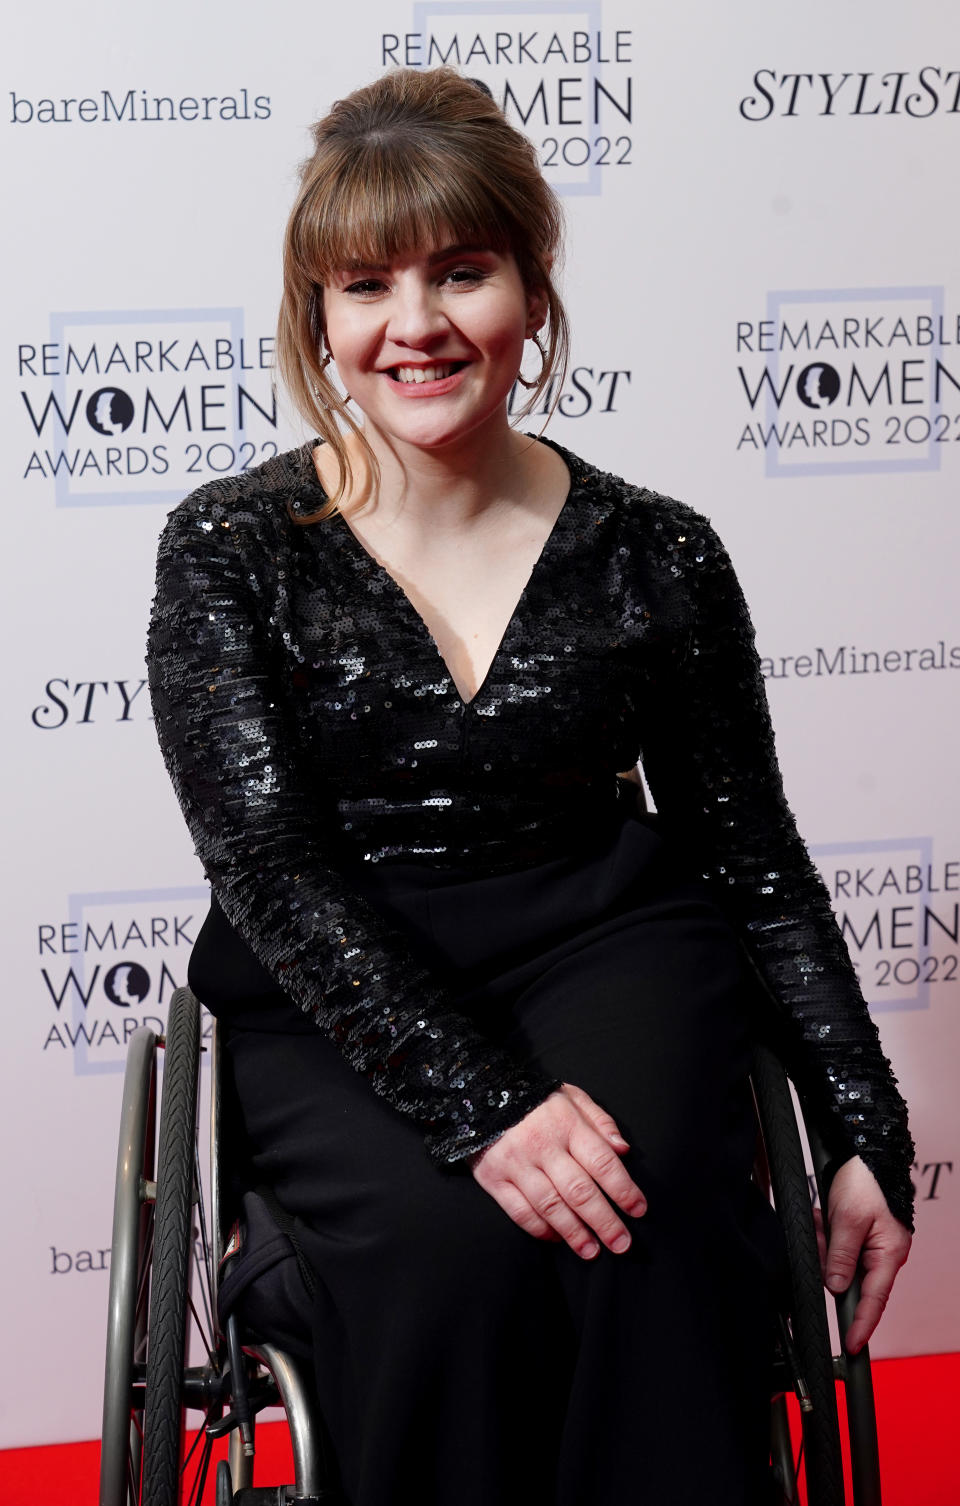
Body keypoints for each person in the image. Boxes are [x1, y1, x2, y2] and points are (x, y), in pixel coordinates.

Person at [147, 67, 914, 1506]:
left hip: (601, 933)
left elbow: (750, 851)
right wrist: (484, 1102)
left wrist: (865, 1121)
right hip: (338, 969)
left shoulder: (658, 552)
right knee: (449, 1253)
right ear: (320, 315)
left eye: (462, 270)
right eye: (365, 284)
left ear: (530, 293)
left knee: (646, 1223)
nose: (415, 323)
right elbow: (268, 863)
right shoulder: (230, 551)